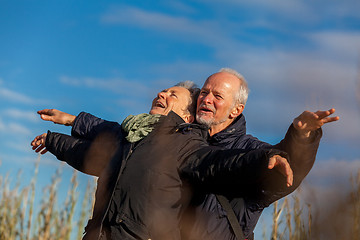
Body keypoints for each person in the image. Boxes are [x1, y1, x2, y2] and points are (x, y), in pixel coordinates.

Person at [31, 81, 293, 240]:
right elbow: (91, 150)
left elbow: (222, 162)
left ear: (186, 116)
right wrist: (54, 138)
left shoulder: (185, 145)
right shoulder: (129, 136)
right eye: (163, 90)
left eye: (173, 95)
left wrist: (265, 158)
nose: (162, 94)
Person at [183, 68, 340, 240]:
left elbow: (286, 171)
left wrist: (301, 137)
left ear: (236, 110)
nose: (206, 99)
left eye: (217, 96)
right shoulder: (180, 140)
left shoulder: (251, 149)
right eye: (204, 92)